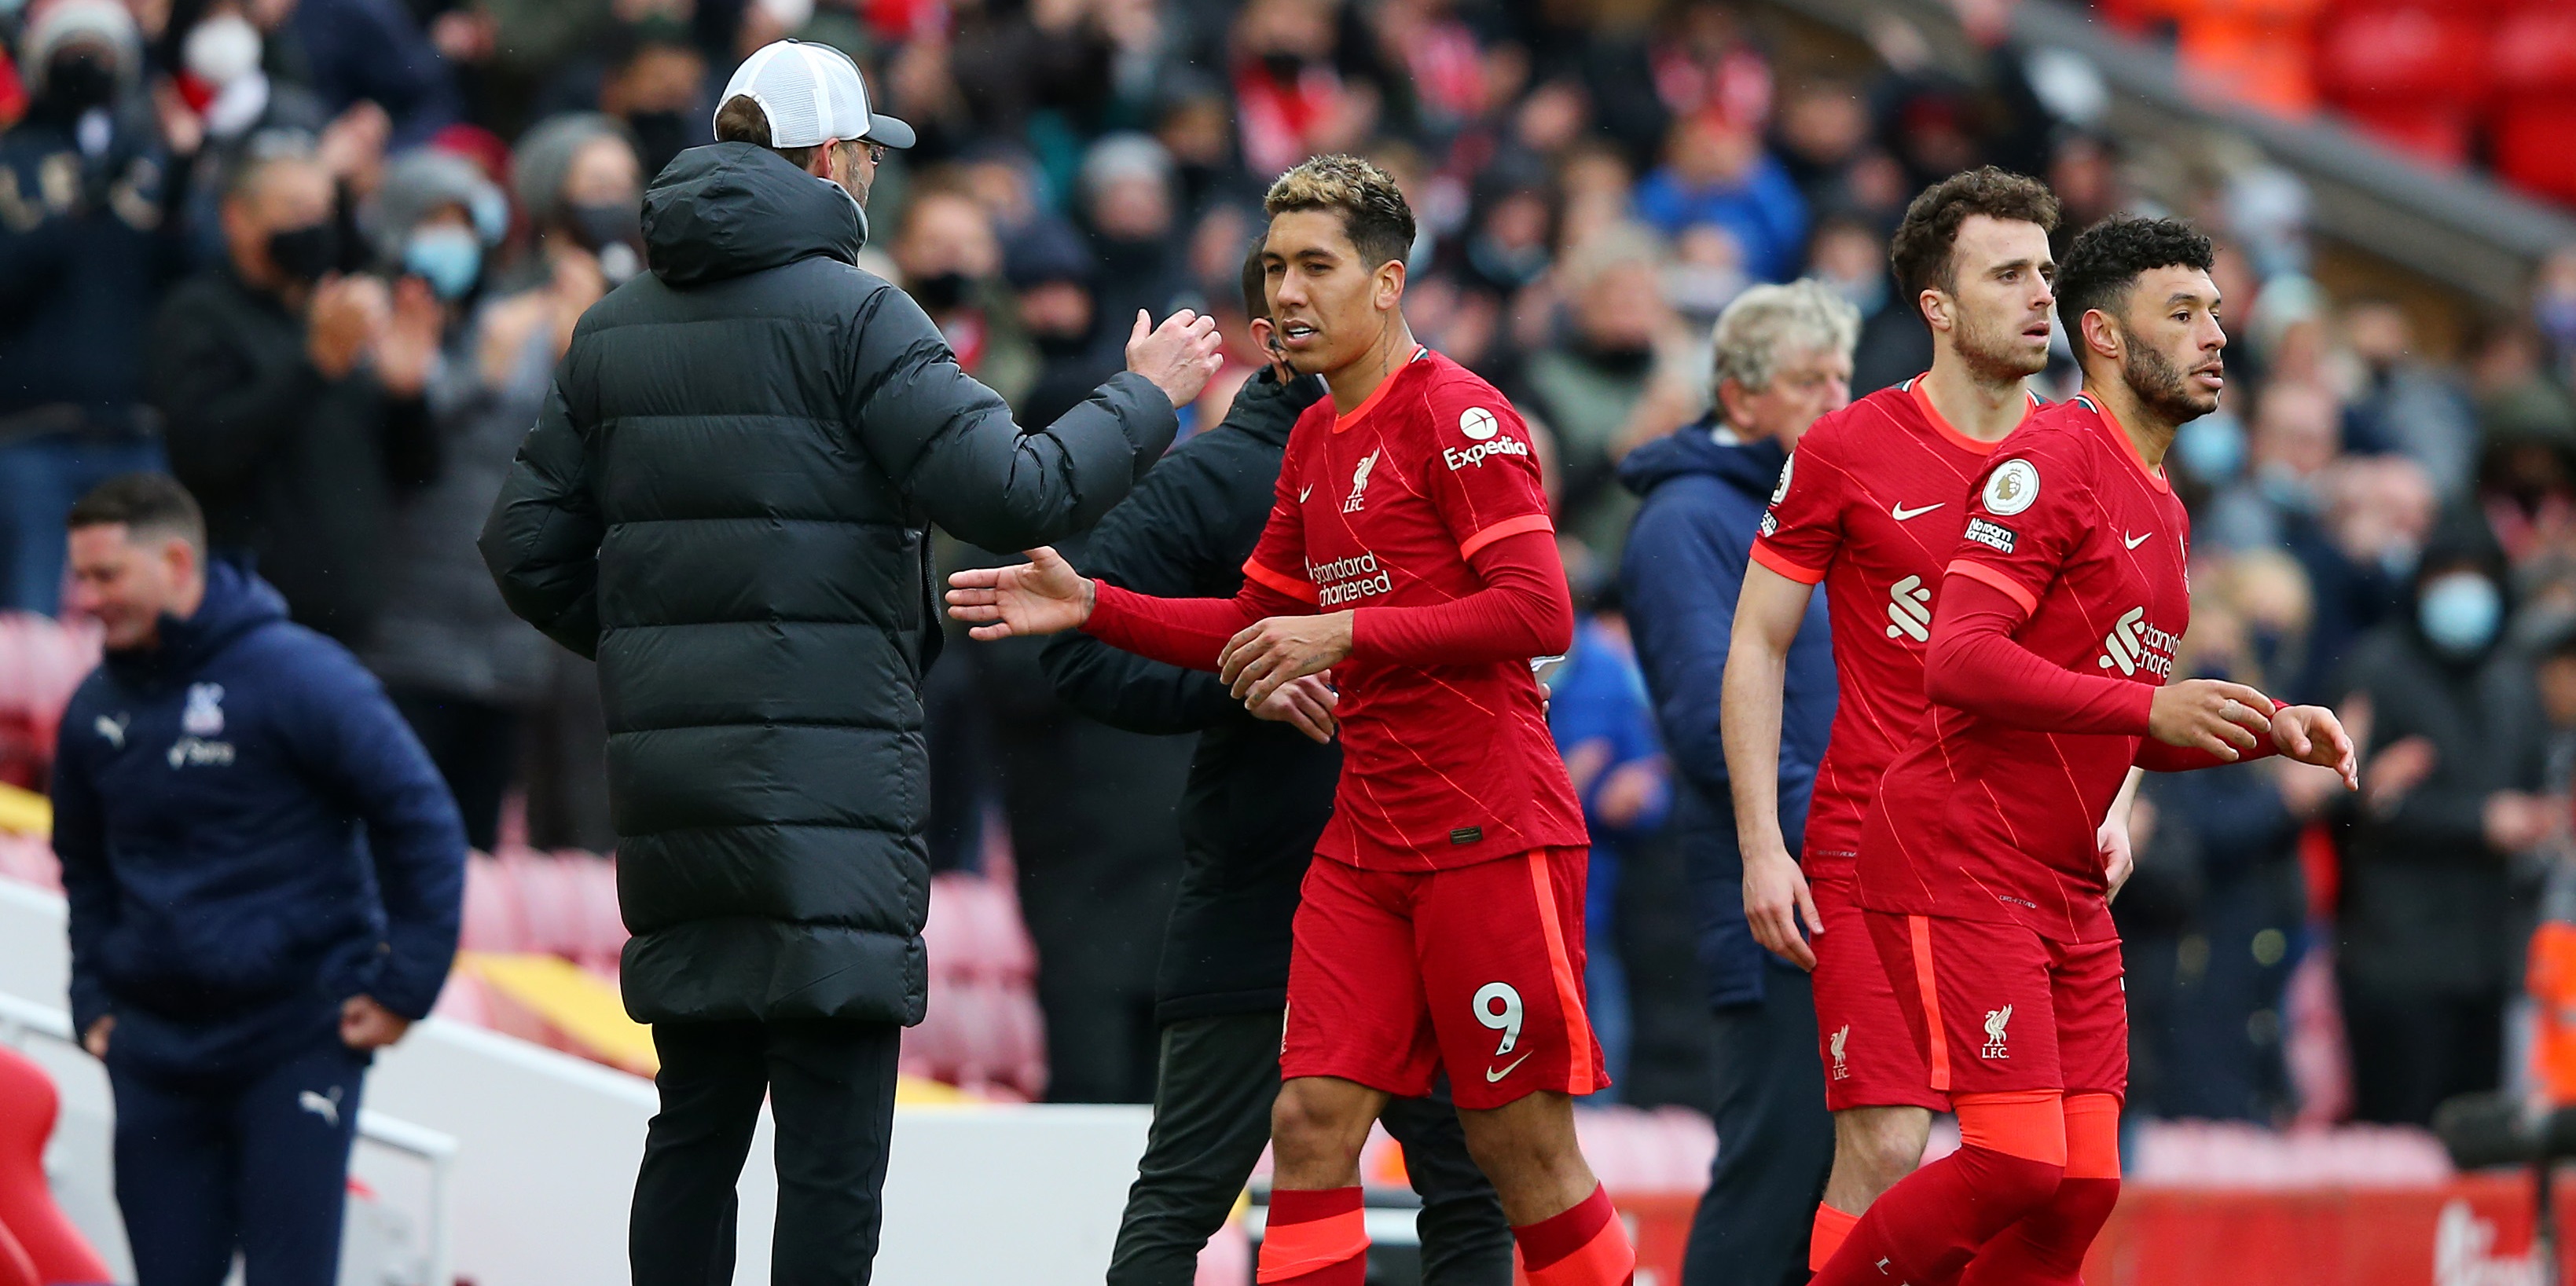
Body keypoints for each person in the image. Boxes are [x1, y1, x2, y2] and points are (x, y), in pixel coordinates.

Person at [479, 39, 1222, 1286]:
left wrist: (669, 656)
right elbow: (1016, 489)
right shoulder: (861, 313)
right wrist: (1144, 397)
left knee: (696, 1123)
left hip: (680, 797)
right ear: (830, 160)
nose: (871, 175)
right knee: (829, 1151)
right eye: (868, 153)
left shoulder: (613, 328)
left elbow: (521, 550)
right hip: (829, 795)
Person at [949, 153, 1637, 1286]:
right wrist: (1091, 604)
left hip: (1486, 832)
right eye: (1272, 268)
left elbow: (1537, 607)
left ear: (1386, 282)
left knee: (1517, 1151)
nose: (1286, 294)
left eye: (1316, 265)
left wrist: (1349, 634)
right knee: (1310, 1123)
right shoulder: (1314, 444)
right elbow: (1254, 619)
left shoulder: (1463, 415)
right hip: (1365, 846)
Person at [1813, 216, 2358, 1286]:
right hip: (1962, 853)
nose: (2213, 335)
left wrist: (2264, 730)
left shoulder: (2162, 501)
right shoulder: (2052, 456)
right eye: (2182, 313)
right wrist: (2148, 709)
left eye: (2213, 311)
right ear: (2102, 335)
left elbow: (2115, 715)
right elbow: (1956, 660)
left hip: (2062, 880)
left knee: (2080, 1189)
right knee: (2013, 1164)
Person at [1041, 244, 1514, 1284]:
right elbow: (1074, 650)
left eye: (1362, 287)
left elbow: (1520, 618)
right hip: (1267, 883)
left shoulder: (1434, 440)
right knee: (1188, 1188)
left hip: (1430, 868)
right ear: (1274, 332)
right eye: (1303, 291)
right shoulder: (1215, 476)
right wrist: (1240, 675)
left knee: (1470, 1182)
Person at [1715, 167, 2075, 1275]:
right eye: (2006, 274)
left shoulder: (2082, 456)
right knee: (1882, 1138)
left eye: (2046, 274)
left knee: (2040, 1171)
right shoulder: (1842, 449)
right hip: (1864, 844)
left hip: (2024, 860)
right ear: (1935, 303)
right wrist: (1761, 845)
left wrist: (2117, 802)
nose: (2038, 298)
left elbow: (2123, 655)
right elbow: (1755, 643)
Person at [50, 473, 465, 1286]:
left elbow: (420, 816)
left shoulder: (300, 675)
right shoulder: (92, 710)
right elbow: (84, 867)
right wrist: (91, 999)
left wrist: (405, 984)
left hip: (293, 1042)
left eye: (107, 575)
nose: (89, 598)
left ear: (175, 560)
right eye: (81, 577)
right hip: (156, 1053)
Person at [1620, 279, 1855, 1285]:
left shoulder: (1824, 508)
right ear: (1737, 394)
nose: (1834, 399)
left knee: (1838, 1172)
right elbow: (1706, 719)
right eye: (1808, 380)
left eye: (1842, 375)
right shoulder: (1686, 522)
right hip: (1766, 891)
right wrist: (1858, 827)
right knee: (1775, 1169)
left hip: (1841, 872)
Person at [148, 150, 441, 645]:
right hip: (249, 613)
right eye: (296, 210)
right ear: (237, 218)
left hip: (358, 615)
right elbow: (205, 454)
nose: (315, 227)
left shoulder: (341, 315)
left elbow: (416, 473)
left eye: (323, 212)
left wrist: (408, 397)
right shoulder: (197, 315)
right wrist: (316, 365)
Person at [359, 148, 556, 854]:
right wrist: (468, 379)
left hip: (504, 645)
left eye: (466, 226)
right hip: (403, 638)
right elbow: (396, 459)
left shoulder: (516, 332)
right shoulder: (366, 324)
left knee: (472, 853)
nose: (455, 243)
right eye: (437, 222)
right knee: (395, 839)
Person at [2332, 515, 2551, 1126]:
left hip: (2488, 959)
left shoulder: (2514, 678)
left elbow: (2531, 790)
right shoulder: (2376, 668)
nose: (2463, 594)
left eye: (2476, 578)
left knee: (2477, 1151)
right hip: (2396, 958)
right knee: (2399, 1150)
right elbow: (2346, 803)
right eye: (2448, 576)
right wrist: (2475, 820)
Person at [0, 0, 177, 615]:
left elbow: (187, 272)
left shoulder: (150, 162)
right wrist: (70, 219)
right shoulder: (10, 157)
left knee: (142, 623)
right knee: (35, 627)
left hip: (133, 430)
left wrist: (186, 170)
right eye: (74, 49)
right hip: (32, 435)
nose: (88, 63)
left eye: (102, 52)